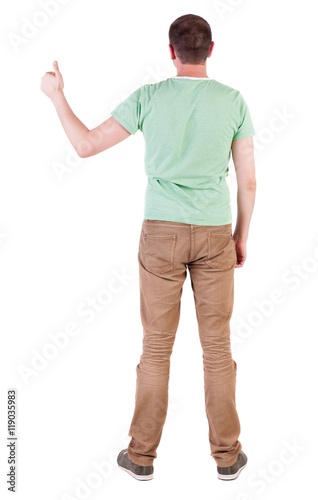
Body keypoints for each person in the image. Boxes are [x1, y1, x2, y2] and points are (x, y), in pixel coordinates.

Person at [41, 13, 256, 482]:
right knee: (217, 349)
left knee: (156, 349)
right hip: (216, 231)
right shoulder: (233, 100)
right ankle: (227, 458)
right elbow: (249, 182)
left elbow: (85, 146)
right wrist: (240, 236)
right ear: (212, 50)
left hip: (160, 233)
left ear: (172, 51)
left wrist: (57, 96)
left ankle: (141, 457)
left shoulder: (150, 97)